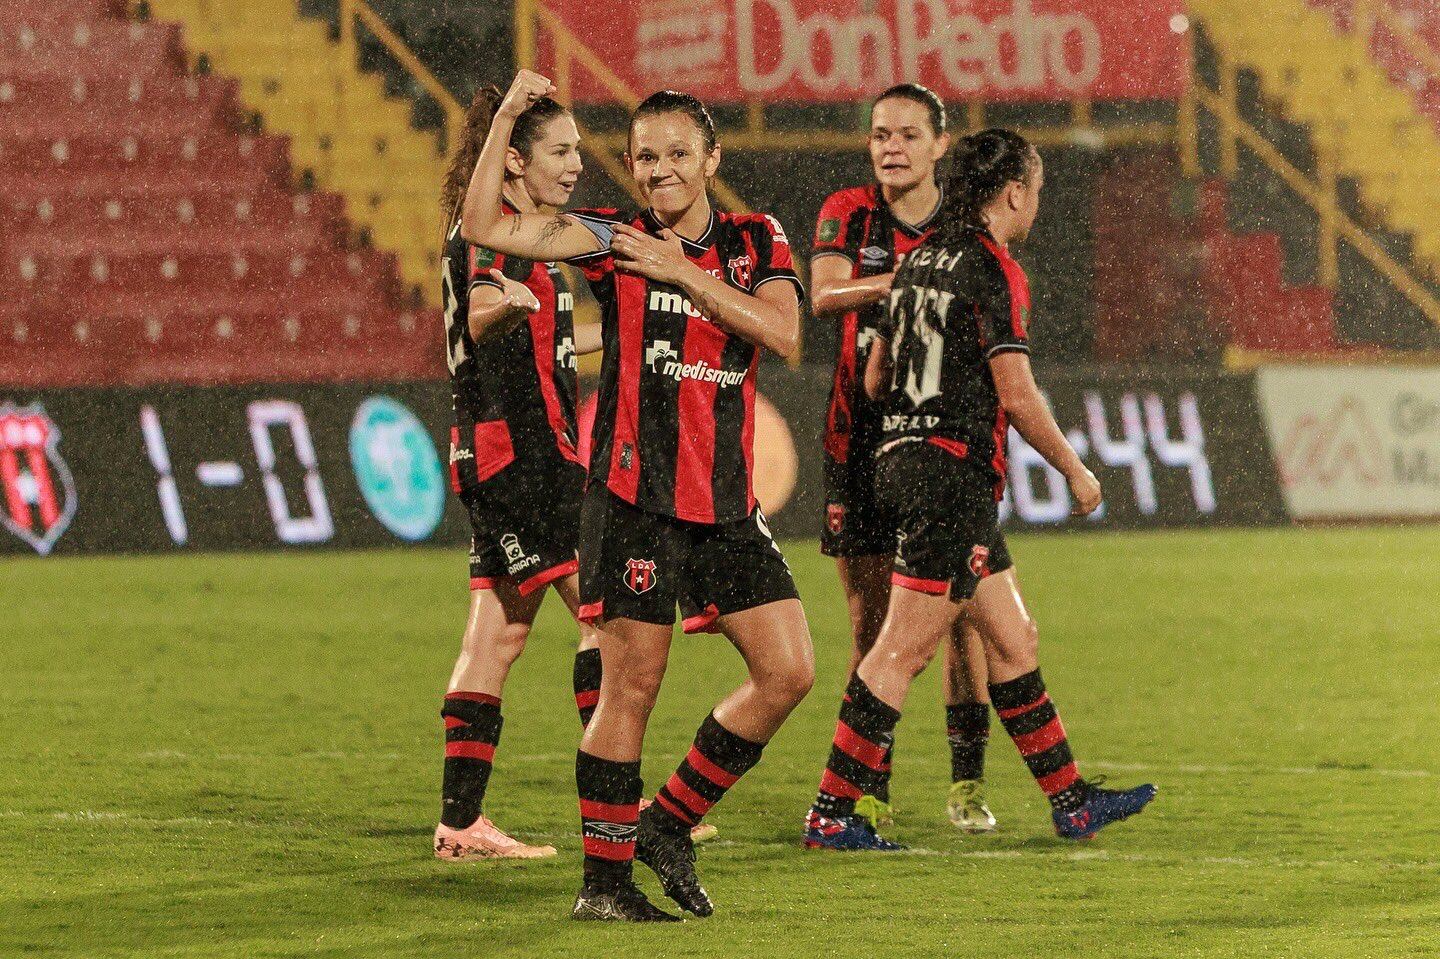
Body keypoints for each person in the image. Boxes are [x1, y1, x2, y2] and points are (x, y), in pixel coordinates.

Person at [463, 72, 814, 921]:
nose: (659, 169)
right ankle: (605, 885)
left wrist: (681, 273)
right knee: (631, 691)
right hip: (632, 502)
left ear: (710, 159)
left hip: (727, 504)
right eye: (645, 155)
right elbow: (482, 224)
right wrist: (508, 115)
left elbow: (787, 334)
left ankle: (668, 821)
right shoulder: (609, 240)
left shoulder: (754, 238)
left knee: (789, 670)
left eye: (677, 153)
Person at [804, 129, 1157, 851]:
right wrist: (1076, 471)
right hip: (950, 473)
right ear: (1014, 193)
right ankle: (832, 812)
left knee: (1012, 634)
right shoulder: (991, 269)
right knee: (901, 651)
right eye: (1036, 190)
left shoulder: (915, 264)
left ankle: (1071, 800)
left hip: (899, 461)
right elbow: (1019, 397)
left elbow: (873, 380)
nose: (1037, 205)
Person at [811, 83, 996, 835]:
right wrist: (913, 281)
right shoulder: (846, 211)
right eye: (881, 134)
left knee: (959, 621)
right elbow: (822, 296)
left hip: (944, 442)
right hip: (855, 441)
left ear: (939, 145)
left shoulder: (963, 223)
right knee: (870, 622)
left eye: (909, 135)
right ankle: (867, 791)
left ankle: (967, 785)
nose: (893, 147)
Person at [433, 86, 606, 861]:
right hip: (527, 458)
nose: (576, 165)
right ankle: (619, 806)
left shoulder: (495, 231)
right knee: (608, 619)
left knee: (495, 637)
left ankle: (461, 823)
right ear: (514, 161)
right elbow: (478, 313)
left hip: (491, 452)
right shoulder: (503, 238)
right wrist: (509, 303)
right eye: (561, 151)